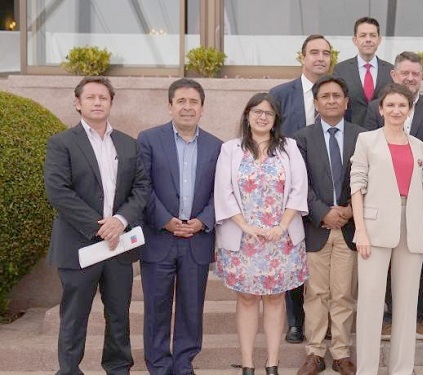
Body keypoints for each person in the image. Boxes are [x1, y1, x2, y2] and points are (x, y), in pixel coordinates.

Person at [44, 76, 149, 375]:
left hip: (119, 247)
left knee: (119, 316)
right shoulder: (62, 143)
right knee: (74, 315)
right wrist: (98, 226)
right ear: (78, 103)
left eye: (103, 97)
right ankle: (68, 370)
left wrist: (120, 220)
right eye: (90, 97)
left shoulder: (129, 144)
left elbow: (141, 187)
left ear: (111, 103)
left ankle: (118, 369)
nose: (97, 102)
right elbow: (58, 191)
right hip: (79, 245)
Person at [213, 92, 309, 375]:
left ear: (276, 118)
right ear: (247, 115)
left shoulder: (289, 147)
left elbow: (298, 189)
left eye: (268, 112)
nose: (262, 116)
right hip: (244, 238)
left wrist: (281, 226)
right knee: (247, 298)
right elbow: (224, 191)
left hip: (281, 237)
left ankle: (272, 363)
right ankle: (247, 364)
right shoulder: (231, 149)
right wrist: (246, 227)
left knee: (276, 298)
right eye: (257, 111)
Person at [137, 78, 222, 374]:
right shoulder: (148, 139)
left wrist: (202, 222)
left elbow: (221, 192)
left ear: (202, 108)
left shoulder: (216, 146)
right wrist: (165, 221)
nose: (187, 107)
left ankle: (184, 364)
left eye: (193, 102)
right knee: (156, 309)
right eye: (181, 101)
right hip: (160, 237)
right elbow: (142, 186)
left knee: (191, 309)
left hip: (196, 240)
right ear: (170, 105)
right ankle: (159, 366)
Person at [362, 51, 423, 341]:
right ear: (394, 76)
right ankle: (387, 317)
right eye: (405, 73)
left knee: (417, 263)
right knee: (382, 263)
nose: (411, 78)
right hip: (382, 203)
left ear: (422, 78)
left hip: (421, 203)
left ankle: (416, 317)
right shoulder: (375, 108)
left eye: (416, 74)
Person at [351, 83, 423, 375]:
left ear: (409, 110)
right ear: (381, 109)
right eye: (391, 105)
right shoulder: (366, 140)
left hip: (410, 228)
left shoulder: (419, 146)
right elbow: (357, 186)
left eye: (402, 106)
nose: (397, 110)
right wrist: (360, 230)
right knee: (371, 301)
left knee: (407, 305)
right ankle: (367, 369)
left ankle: (401, 369)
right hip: (374, 227)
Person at [294, 76, 363, 375]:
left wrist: (350, 210)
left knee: (344, 293)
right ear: (316, 102)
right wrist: (322, 212)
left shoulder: (363, 136)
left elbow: (369, 177)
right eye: (326, 96)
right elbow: (299, 184)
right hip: (317, 227)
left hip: (350, 227)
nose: (332, 100)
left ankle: (341, 352)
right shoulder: (301, 139)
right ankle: (315, 352)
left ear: (346, 103)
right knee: (316, 293)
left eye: (337, 95)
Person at [271, 33, 334, 344]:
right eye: (314, 52)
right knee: (293, 254)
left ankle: (328, 322)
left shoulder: (337, 94)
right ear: (303, 57)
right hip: (289, 190)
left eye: (325, 53)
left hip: (328, 188)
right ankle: (296, 321)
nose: (320, 58)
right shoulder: (281, 94)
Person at [333, 17, 392, 126]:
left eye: (372, 35)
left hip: (382, 135)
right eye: (363, 35)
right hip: (351, 135)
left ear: (379, 39)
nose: (368, 39)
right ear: (355, 40)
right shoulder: (341, 70)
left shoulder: (391, 71)